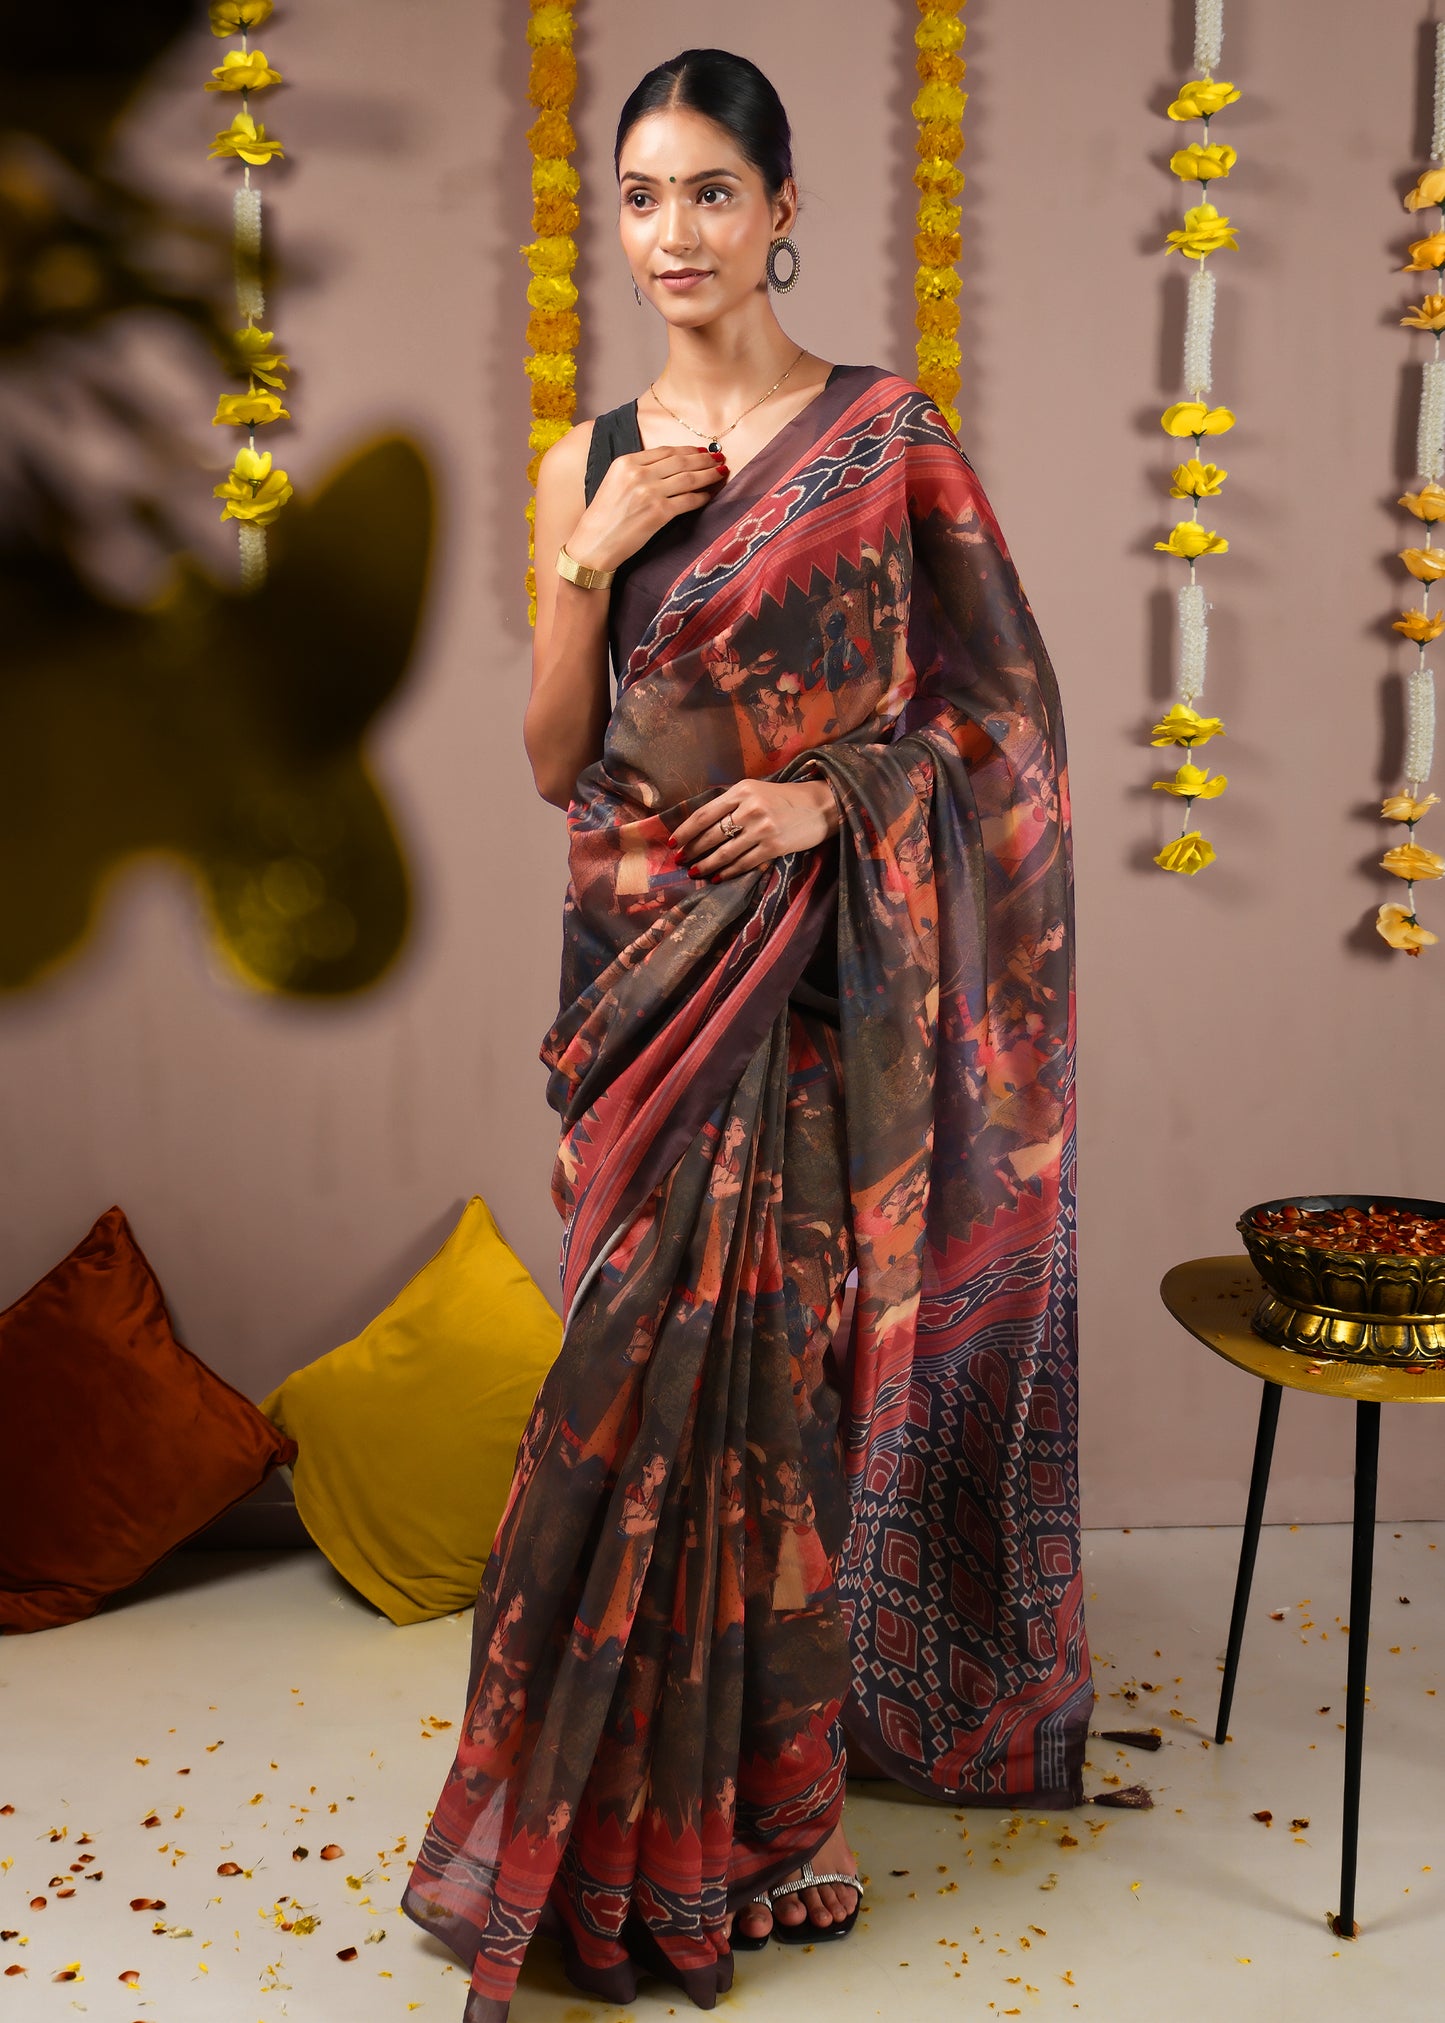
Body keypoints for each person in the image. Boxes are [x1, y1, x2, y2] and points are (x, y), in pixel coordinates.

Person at [402, 47, 1090, 2022]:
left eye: (712, 191)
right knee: (613, 1406)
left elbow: (1007, 729)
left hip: (814, 993)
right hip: (638, 987)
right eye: (640, 196)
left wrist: (840, 800)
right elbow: (554, 761)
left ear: (788, 211)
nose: (674, 233)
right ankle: (586, 1814)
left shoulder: (885, 438)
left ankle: (774, 1830)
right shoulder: (586, 451)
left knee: (778, 1417)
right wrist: (590, 549)